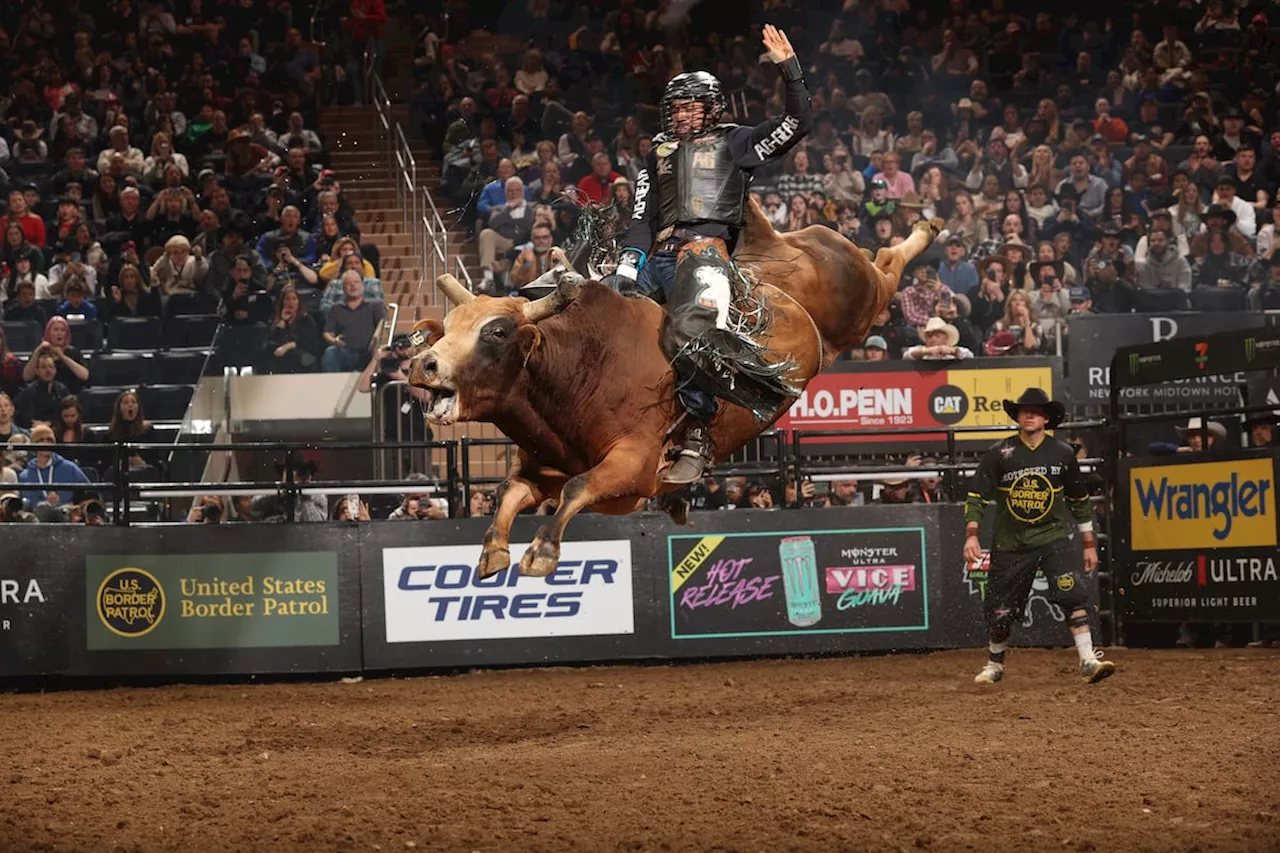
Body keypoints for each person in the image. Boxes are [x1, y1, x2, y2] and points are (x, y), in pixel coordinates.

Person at [614, 24, 812, 484]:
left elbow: (796, 124)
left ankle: (699, 433)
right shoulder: (658, 152)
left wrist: (790, 70)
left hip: (705, 257)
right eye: (676, 108)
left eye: (690, 107)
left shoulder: (737, 142)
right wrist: (627, 263)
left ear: (710, 108)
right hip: (655, 256)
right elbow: (642, 214)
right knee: (597, 304)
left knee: (689, 332)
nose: (682, 115)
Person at [963, 388, 1115, 685]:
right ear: (1018, 416)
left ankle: (1087, 659)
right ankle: (995, 662)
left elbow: (1078, 499)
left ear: (1046, 418)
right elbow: (976, 497)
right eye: (1024, 410)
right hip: (1011, 542)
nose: (1029, 415)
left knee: (1071, 594)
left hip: (1053, 537)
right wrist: (971, 535)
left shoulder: (1062, 453)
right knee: (1001, 610)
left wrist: (1088, 544)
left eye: (1035, 411)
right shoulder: (999, 453)